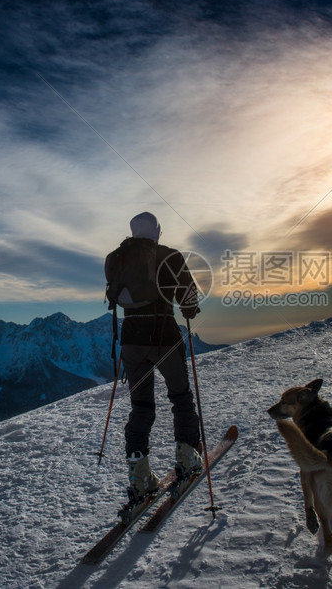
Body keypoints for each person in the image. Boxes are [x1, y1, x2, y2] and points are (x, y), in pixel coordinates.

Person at [116, 212, 202, 501]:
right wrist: (189, 311)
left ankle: (140, 477)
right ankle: (187, 458)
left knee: (141, 406)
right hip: (163, 335)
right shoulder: (170, 256)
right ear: (157, 231)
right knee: (180, 397)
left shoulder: (120, 257)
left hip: (130, 339)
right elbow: (188, 297)